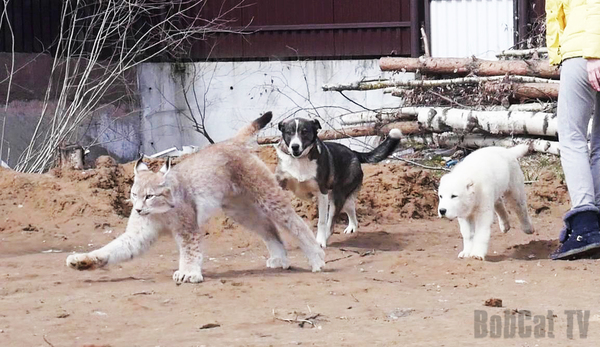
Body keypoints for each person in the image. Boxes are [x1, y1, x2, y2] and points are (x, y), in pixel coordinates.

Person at [546, 0, 600, 259]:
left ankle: (585, 225)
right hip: (586, 49)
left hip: (585, 52)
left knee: (571, 138)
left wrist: (593, 53)